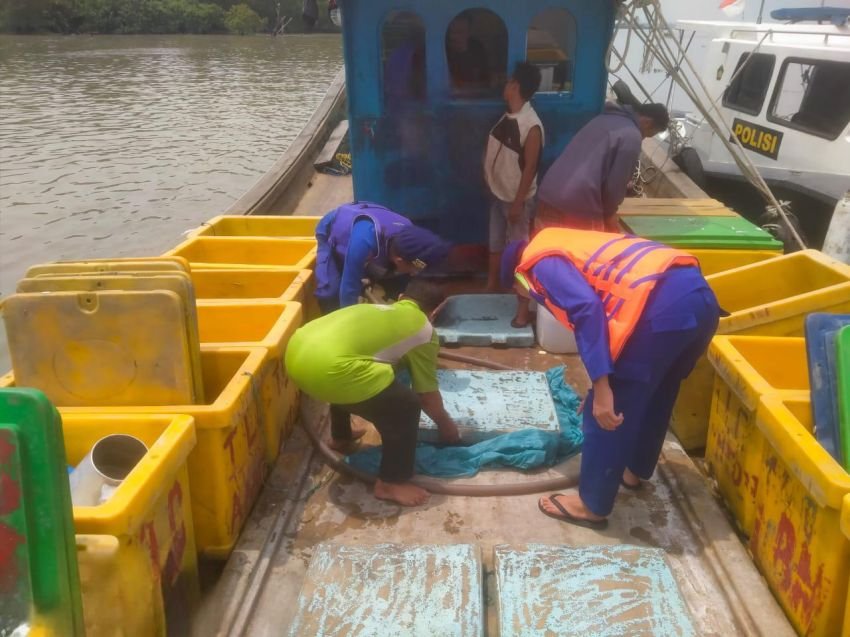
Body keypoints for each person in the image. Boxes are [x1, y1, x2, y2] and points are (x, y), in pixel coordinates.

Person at [500, 229, 720, 529]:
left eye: (517, 289)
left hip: (659, 314)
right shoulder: (566, 242)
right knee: (657, 392)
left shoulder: (537, 263)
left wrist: (601, 389)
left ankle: (591, 505)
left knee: (607, 412)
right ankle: (634, 470)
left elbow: (587, 310)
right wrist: (597, 380)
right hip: (701, 299)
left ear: (518, 276)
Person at [285, 280, 461, 507]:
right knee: (405, 405)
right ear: (434, 311)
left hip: (296, 357)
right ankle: (391, 482)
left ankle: (341, 437)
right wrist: (447, 426)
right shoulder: (424, 331)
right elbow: (427, 396)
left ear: (400, 298)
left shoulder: (373, 308)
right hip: (329, 371)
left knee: (357, 367)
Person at [536, 102, 670, 232]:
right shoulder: (632, 136)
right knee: (587, 252)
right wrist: (610, 214)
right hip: (577, 205)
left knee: (543, 252)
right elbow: (615, 185)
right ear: (647, 122)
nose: (643, 138)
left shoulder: (603, 119)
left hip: (548, 195)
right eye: (647, 134)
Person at [314, 201, 451, 314]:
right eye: (412, 269)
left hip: (370, 237)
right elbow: (348, 290)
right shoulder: (363, 242)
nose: (413, 273)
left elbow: (416, 271)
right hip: (332, 229)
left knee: (398, 282)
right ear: (399, 260)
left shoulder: (409, 237)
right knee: (330, 291)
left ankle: (370, 279)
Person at [483, 62, 544, 292]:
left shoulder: (532, 125)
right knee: (495, 242)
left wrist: (519, 203)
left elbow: (530, 168)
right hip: (498, 194)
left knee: (519, 246)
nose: (505, 85)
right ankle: (492, 285)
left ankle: (519, 292)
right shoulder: (507, 117)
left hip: (515, 198)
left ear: (515, 86)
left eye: (509, 82)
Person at [446, 12, 491, 90]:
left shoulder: (477, 48)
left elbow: (486, 78)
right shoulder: (443, 48)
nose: (454, 36)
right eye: (452, 32)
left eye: (460, 32)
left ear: (469, 32)